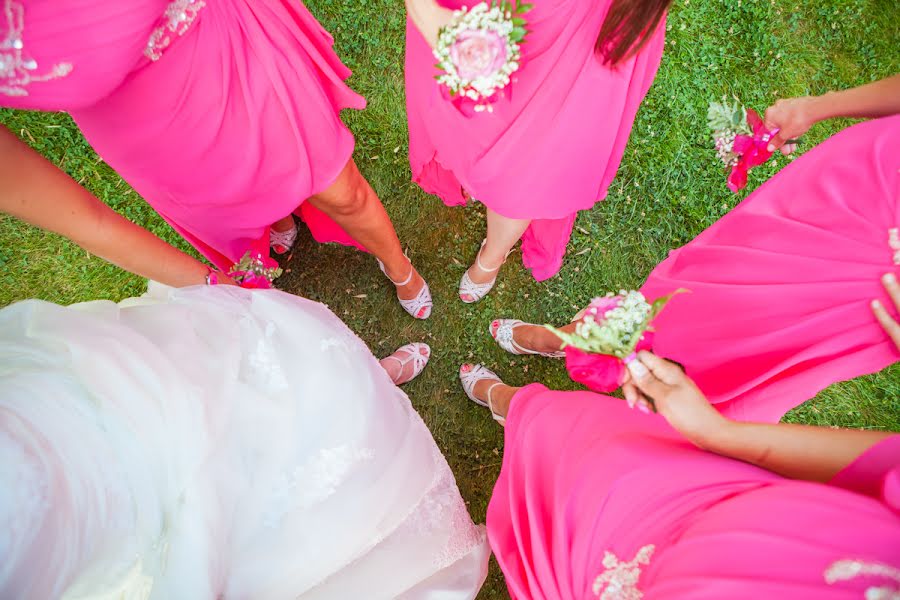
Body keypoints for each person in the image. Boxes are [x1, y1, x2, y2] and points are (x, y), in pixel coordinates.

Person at [0, 283, 489, 599]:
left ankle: (371, 385)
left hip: (106, 408)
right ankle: (368, 395)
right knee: (325, 512)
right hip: (157, 574)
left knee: (288, 395)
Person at [0, 0, 432, 319]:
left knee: (341, 191)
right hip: (149, 139)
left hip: (222, 54)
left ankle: (396, 263)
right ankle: (278, 220)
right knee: (235, 220)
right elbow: (84, 221)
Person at [485, 104, 900, 422]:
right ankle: (568, 340)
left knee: (721, 350)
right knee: (688, 297)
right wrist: (820, 106)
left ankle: (581, 372)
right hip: (867, 188)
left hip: (873, 300)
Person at [456, 351, 900, 599]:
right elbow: (875, 463)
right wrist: (716, 433)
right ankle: (509, 404)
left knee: (535, 521)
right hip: (683, 489)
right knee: (561, 428)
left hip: (584, 582)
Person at [404, 0, 669, 300]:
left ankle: (494, 254)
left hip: (585, 32)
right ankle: (477, 177)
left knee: (529, 172)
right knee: (466, 122)